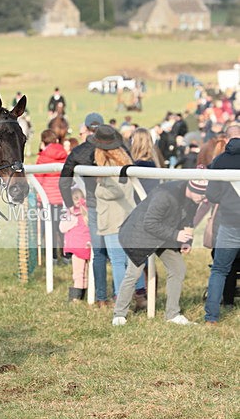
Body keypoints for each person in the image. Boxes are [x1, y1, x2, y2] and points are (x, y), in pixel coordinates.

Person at [112, 179, 208, 325]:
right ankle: (119, 314)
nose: (203, 198)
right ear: (191, 188)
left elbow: (188, 220)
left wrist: (186, 241)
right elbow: (150, 223)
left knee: (178, 268)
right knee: (133, 274)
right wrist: (176, 235)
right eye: (201, 194)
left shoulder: (194, 199)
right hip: (140, 234)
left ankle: (172, 315)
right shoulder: (165, 195)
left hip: (165, 235)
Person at [59, 112, 113, 306]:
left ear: (87, 129)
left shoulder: (79, 151)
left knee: (98, 252)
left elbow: (64, 182)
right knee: (117, 253)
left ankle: (100, 298)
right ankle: (121, 294)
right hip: (117, 205)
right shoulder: (116, 146)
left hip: (94, 204)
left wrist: (71, 206)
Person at [91, 126, 147, 305]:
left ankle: (121, 298)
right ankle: (139, 294)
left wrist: (97, 190)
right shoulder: (124, 160)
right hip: (127, 216)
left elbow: (115, 192)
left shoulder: (108, 165)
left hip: (113, 218)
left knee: (117, 261)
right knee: (131, 260)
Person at [204, 124, 240, 324]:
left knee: (219, 269)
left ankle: (211, 318)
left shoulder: (219, 161)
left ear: (226, 140)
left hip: (229, 222)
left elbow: (212, 195)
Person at [35, 130, 68, 260]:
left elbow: (38, 179)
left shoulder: (43, 158)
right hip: (63, 197)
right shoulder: (64, 155)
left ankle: (53, 257)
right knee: (63, 228)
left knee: (50, 230)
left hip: (47, 199)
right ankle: (66, 255)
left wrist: (38, 197)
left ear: (43, 142)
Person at [59, 187, 91, 301]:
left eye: (80, 198)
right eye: (76, 198)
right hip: (87, 247)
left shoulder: (72, 215)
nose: (78, 200)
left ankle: (76, 298)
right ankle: (85, 294)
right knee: (85, 273)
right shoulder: (87, 213)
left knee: (78, 273)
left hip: (77, 249)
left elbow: (62, 228)